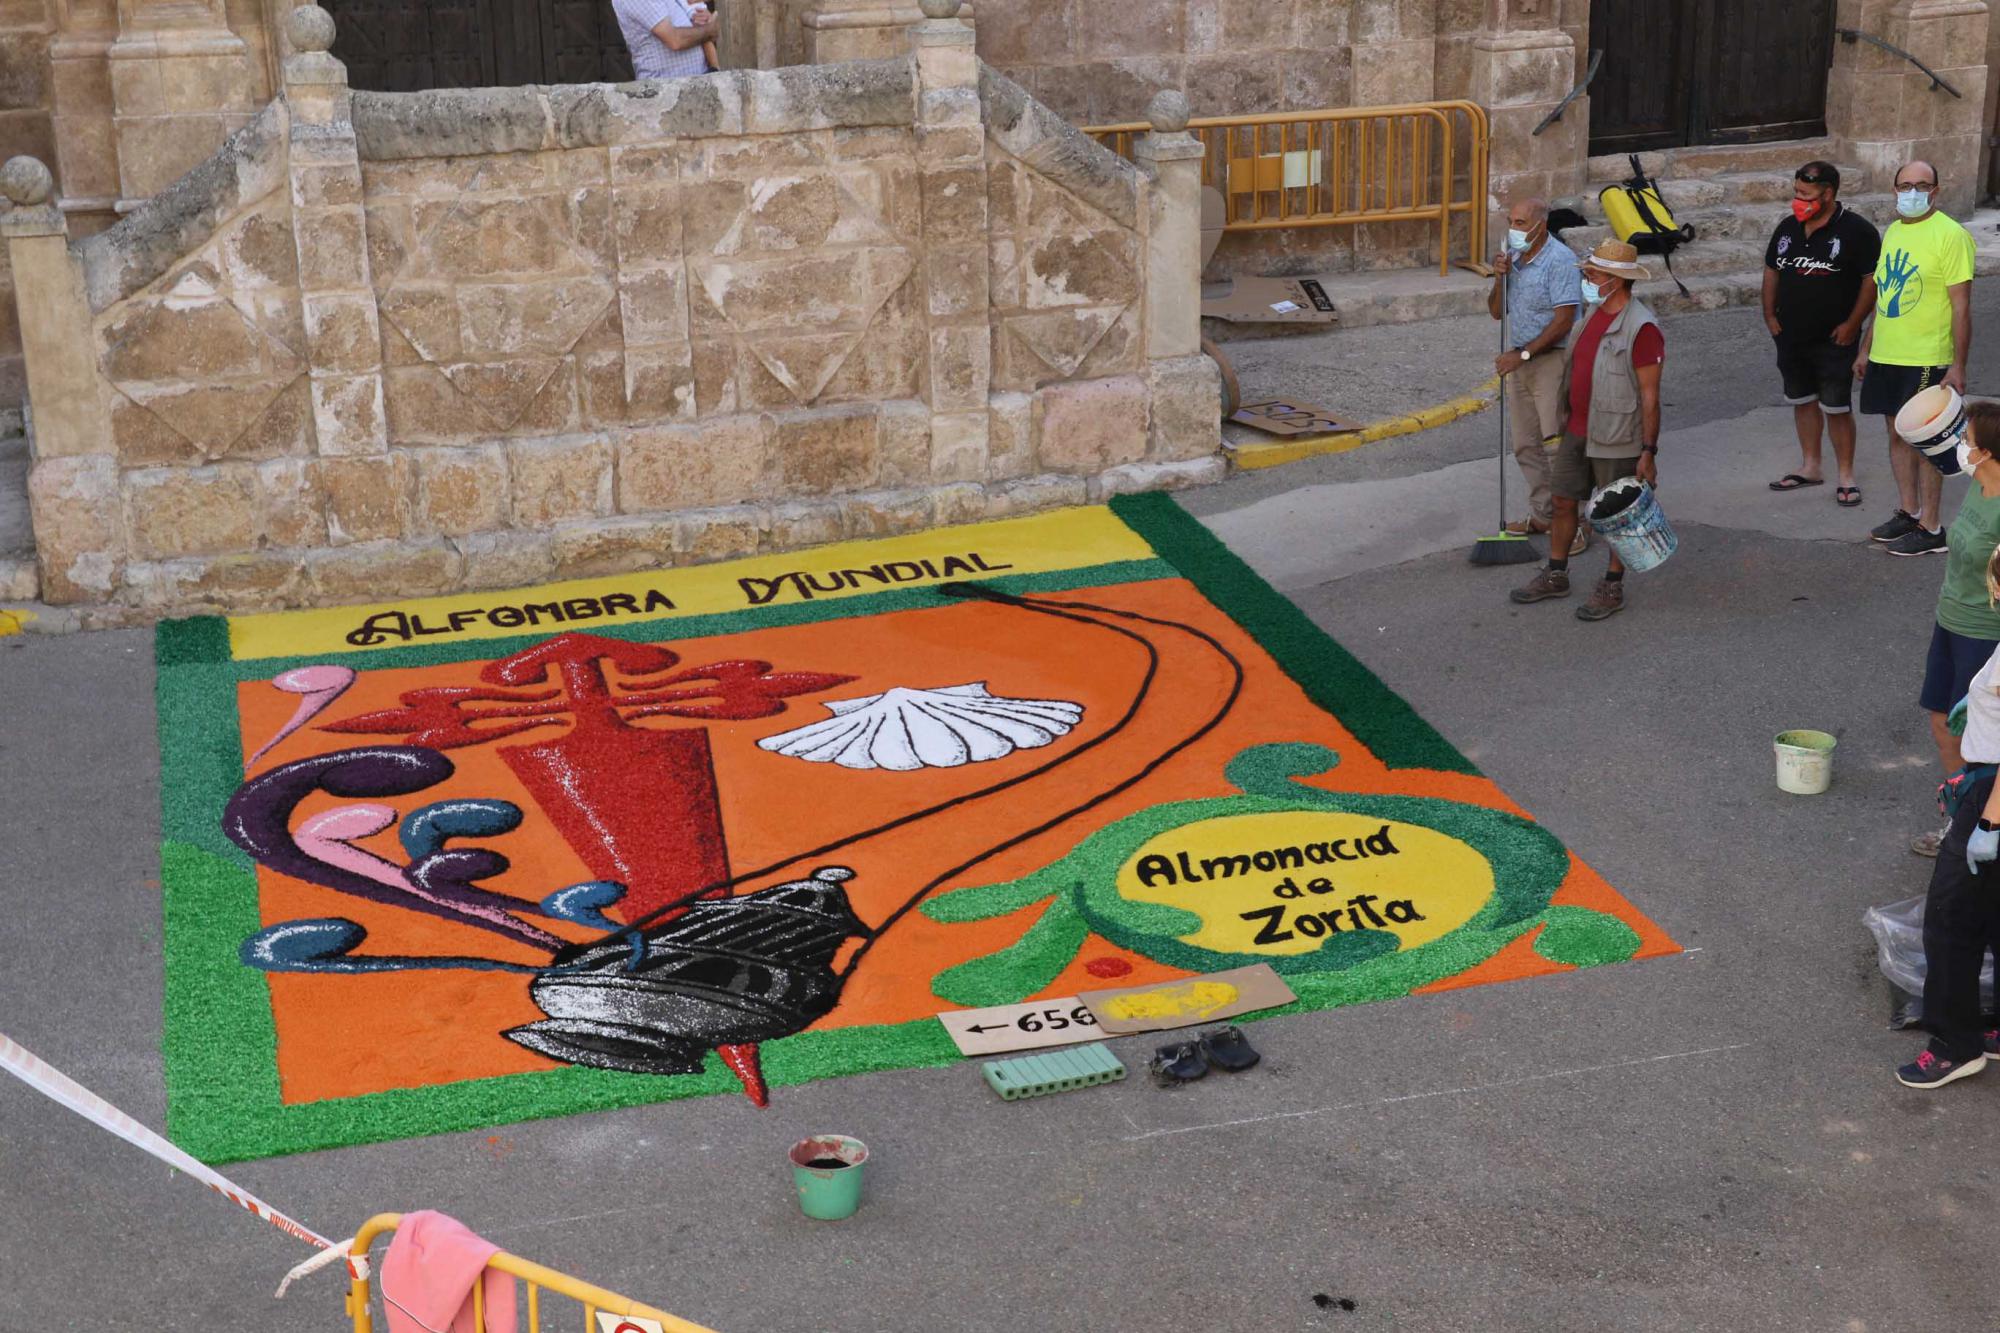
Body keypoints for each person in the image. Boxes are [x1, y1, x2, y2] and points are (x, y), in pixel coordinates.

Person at [1898, 401, 2000, 1088]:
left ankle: (1957, 1043)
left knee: (1951, 921)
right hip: (1985, 781)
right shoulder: (1977, 487)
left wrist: (1985, 817)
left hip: (1992, 796)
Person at [1509, 239, 1664, 622]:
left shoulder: (1642, 328)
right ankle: (1556, 573)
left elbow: (1650, 396)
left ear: (1616, 279)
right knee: (1563, 501)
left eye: (1594, 273)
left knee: (1618, 516)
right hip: (1578, 430)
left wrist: (1648, 452)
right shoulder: (1592, 314)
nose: (1587, 278)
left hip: (1617, 436)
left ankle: (1612, 584)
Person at [1857, 159, 1977, 556]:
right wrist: (1866, 348)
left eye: (1922, 186)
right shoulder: (1893, 231)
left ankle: (1932, 527)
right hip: (1887, 354)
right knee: (1896, 433)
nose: (1912, 192)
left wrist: (1957, 365)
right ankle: (1909, 513)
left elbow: (1961, 307)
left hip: (1926, 356)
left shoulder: (1951, 235)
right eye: (1905, 185)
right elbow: (1884, 297)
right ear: (1894, 189)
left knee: (1926, 441)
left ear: (1935, 191)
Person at [1909, 399, 2000, 858]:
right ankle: (1959, 816)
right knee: (1942, 719)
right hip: (1950, 619)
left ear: (1985, 452)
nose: (1960, 445)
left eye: (1967, 439)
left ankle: (1980, 824)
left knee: (1978, 736)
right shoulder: (1979, 485)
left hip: (1984, 633)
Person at [1762, 161, 1880, 506]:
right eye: (1796, 192)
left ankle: (1846, 476)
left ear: (1828, 194)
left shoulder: (1858, 231)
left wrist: (1852, 324)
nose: (1798, 200)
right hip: (1790, 334)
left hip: (1835, 339)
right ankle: (1810, 466)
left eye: (1806, 194)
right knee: (1802, 400)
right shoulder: (1788, 228)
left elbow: (1870, 281)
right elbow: (1771, 270)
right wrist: (1769, 315)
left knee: (1836, 405)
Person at [1489, 197, 1586, 554]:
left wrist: (1524, 354)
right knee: (1526, 444)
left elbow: (1564, 320)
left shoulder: (1560, 261)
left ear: (1540, 226)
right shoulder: (1514, 259)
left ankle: (1575, 523)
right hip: (1521, 360)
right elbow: (1497, 312)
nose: (1513, 230)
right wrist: (1499, 279)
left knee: (1556, 446)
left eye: (1520, 223)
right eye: (1511, 222)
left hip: (1550, 360)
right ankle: (1544, 515)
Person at [613, 0, 718, 80]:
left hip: (695, 81)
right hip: (666, 89)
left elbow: (692, 9)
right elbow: (675, 41)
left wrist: (705, 18)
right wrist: (709, 29)